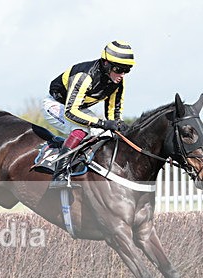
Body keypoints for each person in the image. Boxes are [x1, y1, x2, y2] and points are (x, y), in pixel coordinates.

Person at [41, 40, 135, 188]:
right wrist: (102, 123)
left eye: (127, 70)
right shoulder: (84, 77)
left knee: (108, 135)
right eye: (118, 69)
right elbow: (71, 112)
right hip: (57, 105)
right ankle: (59, 175)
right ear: (106, 63)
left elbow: (113, 112)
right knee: (82, 130)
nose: (122, 74)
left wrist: (118, 125)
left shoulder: (117, 82)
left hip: (79, 108)